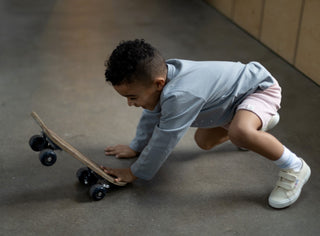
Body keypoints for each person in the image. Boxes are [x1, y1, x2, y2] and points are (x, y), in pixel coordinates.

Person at [101, 39, 311, 209]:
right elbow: (151, 115)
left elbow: (163, 140)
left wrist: (134, 172)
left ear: (158, 84)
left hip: (257, 89)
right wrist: (136, 146)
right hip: (227, 103)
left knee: (239, 133)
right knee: (204, 142)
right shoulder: (160, 80)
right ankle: (253, 125)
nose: (130, 104)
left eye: (132, 97)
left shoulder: (180, 94)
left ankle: (295, 167)